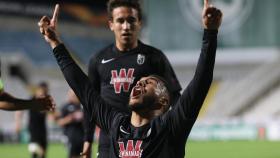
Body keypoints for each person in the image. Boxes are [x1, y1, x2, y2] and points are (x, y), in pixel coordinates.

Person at [38, 0, 222, 157]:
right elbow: (84, 90)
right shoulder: (116, 124)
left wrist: (210, 33)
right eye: (140, 82)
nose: (138, 83)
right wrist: (55, 43)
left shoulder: (170, 128)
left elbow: (201, 80)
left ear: (163, 101)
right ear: (111, 24)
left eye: (149, 83)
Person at [15, 82, 51, 158]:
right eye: (43, 91)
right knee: (35, 151)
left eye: (45, 92)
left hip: (43, 130)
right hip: (33, 130)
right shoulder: (31, 100)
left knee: (43, 154)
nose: (44, 93)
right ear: (38, 90)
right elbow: (19, 111)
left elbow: (52, 114)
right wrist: (18, 123)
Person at [56, 89, 85, 158]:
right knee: (73, 155)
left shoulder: (82, 106)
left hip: (83, 136)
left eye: (75, 95)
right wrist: (70, 118)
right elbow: (60, 122)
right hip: (70, 137)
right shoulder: (65, 107)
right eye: (72, 95)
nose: (74, 96)